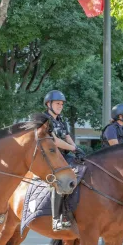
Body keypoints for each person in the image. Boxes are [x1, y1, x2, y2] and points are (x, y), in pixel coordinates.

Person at [43, 90, 80, 231]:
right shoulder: (45, 120)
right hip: (50, 157)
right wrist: (72, 148)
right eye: (58, 103)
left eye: (62, 104)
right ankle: (56, 219)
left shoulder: (61, 120)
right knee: (59, 181)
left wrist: (76, 148)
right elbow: (56, 141)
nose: (60, 106)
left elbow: (67, 136)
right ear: (48, 104)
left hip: (62, 156)